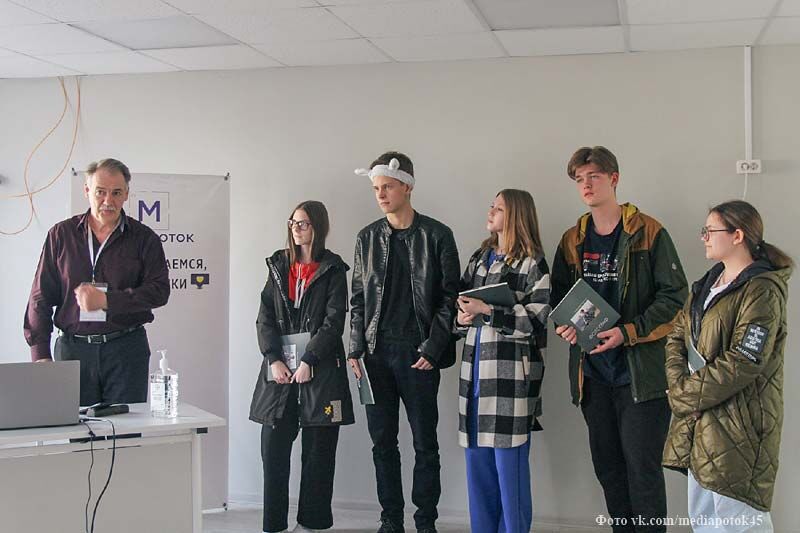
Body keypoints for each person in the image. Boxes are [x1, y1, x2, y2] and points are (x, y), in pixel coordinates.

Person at [550, 146, 688, 533]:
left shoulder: (648, 231)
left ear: (614, 179)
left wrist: (627, 332)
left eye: (593, 176)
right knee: (609, 470)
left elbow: (675, 298)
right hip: (592, 376)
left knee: (642, 471)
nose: (586, 185)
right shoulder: (572, 239)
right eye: (579, 179)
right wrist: (565, 327)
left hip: (640, 377)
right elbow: (558, 299)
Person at [663, 200, 792, 533]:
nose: (703, 237)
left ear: (738, 235)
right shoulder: (708, 284)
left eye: (710, 230)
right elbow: (677, 336)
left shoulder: (762, 290)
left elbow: (744, 361)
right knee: (705, 521)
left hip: (739, 426)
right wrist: (681, 389)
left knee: (742, 523)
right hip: (700, 422)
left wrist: (684, 395)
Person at [348, 151, 460, 533]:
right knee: (382, 444)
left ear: (407, 187)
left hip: (419, 355)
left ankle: (425, 522)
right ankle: (390, 521)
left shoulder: (437, 235)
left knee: (425, 444)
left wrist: (433, 347)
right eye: (376, 188)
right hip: (375, 356)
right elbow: (358, 300)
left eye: (388, 187)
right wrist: (355, 348)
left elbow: (450, 298)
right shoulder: (366, 238)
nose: (380, 195)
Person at [24, 158, 170, 406]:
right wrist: (40, 354)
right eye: (100, 192)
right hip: (72, 351)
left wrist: (107, 300)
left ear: (126, 194)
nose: (108, 200)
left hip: (126, 350)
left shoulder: (144, 239)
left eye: (116, 193)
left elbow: (159, 291)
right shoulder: (61, 235)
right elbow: (40, 296)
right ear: (87, 191)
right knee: (75, 428)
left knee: (126, 428)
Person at [250, 200, 355, 533]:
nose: (296, 228)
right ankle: (274, 525)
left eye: (304, 223)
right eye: (293, 222)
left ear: (318, 227)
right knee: (273, 450)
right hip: (280, 371)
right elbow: (265, 317)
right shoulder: (279, 264)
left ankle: (312, 524)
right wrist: (273, 359)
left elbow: (334, 322)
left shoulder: (333, 269)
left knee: (319, 453)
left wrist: (310, 359)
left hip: (320, 370)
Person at [455, 189, 550, 533]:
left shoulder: (532, 263)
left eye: (498, 208)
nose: (490, 211)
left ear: (516, 216)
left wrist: (488, 311)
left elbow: (537, 321)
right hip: (473, 380)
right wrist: (461, 317)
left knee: (511, 476)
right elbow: (458, 303)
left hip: (510, 384)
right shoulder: (480, 257)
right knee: (478, 470)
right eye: (491, 206)